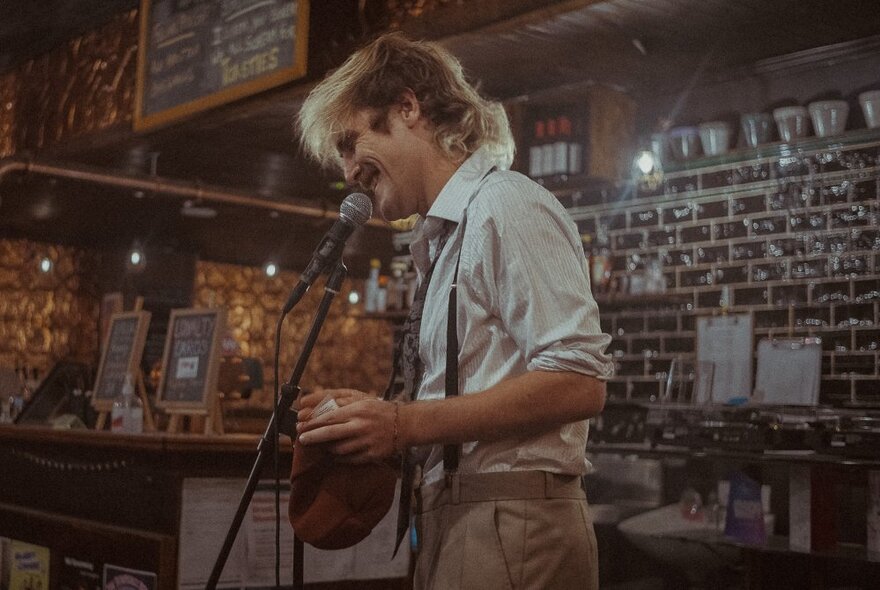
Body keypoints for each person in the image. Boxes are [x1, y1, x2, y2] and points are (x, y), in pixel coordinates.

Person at [295, 32, 613, 590]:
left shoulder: (505, 204)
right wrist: (377, 415)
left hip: (511, 519)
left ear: (407, 107)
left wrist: (403, 424)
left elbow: (578, 382)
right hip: (460, 517)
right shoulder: (444, 237)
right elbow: (475, 383)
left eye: (352, 142)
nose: (348, 171)